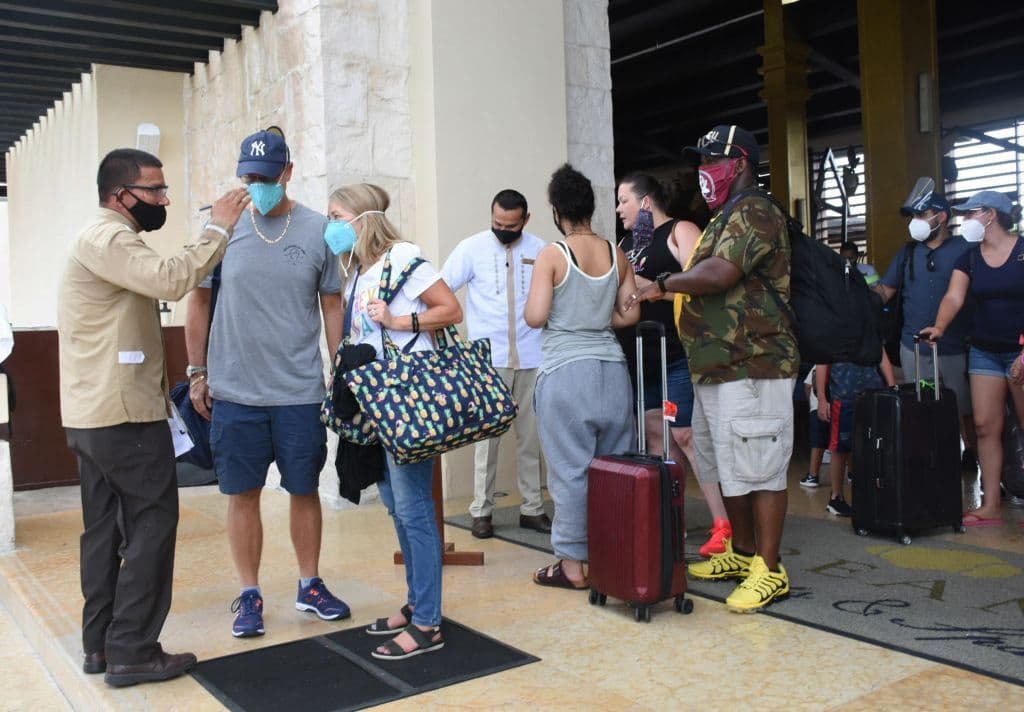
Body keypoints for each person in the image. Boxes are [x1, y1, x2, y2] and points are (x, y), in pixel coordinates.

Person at [58, 148, 250, 685]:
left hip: (95, 414)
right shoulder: (110, 238)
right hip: (123, 415)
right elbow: (170, 279)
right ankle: (133, 651)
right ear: (121, 194)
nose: (164, 200)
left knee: (104, 531)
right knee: (151, 524)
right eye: (155, 190)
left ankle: (101, 645)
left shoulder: (102, 239)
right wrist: (218, 228)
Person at [185, 128, 347, 638]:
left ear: (288, 173)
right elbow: (198, 301)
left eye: (267, 176)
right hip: (236, 391)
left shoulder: (319, 229)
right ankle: (250, 593)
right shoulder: (220, 228)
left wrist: (341, 369)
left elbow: (332, 304)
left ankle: (309, 584)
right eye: (249, 176)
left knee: (304, 489)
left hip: (299, 390)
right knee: (242, 494)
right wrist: (196, 372)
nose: (257, 185)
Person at [629, 124, 798, 612]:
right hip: (718, 367)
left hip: (754, 364)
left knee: (760, 468)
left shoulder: (756, 210)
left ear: (740, 163)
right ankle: (742, 553)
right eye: (700, 161)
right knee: (726, 464)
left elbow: (721, 273)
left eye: (711, 161)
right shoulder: (725, 215)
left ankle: (770, 568)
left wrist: (663, 284)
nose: (703, 170)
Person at [327, 183, 462, 660]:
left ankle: (428, 623)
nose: (331, 225)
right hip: (377, 404)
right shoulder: (357, 272)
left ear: (363, 219)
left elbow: (451, 309)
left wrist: (398, 322)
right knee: (395, 505)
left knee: (414, 508)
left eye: (336, 215)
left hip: (408, 401)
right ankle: (416, 603)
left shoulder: (403, 257)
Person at [526, 163, 639, 590]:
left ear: (558, 211)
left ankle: (572, 566)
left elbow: (536, 316)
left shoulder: (553, 255)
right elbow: (629, 314)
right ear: (591, 207)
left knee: (571, 471)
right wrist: (597, 317)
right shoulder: (617, 253)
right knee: (615, 468)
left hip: (566, 374)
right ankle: (612, 557)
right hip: (612, 372)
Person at [614, 173, 731, 557]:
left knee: (686, 435)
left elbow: (702, 284)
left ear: (646, 202)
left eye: (624, 201)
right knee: (655, 437)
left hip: (677, 353)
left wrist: (652, 288)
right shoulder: (625, 245)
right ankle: (670, 520)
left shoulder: (680, 230)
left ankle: (724, 523)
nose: (619, 209)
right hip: (639, 356)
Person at [441, 190, 549, 540]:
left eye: (511, 225)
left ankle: (532, 509)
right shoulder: (471, 248)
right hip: (489, 361)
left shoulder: (542, 250)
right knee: (486, 442)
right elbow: (440, 289)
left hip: (533, 357)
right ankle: (481, 511)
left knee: (530, 439)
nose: (503, 230)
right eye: (497, 223)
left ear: (525, 220)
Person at [921, 190, 1024, 527]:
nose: (964, 220)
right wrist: (939, 326)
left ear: (990, 215)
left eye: (970, 213)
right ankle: (991, 504)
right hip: (984, 351)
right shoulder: (970, 257)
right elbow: (954, 296)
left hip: (1020, 350)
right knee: (984, 426)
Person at [875, 184, 976, 468]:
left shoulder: (966, 250)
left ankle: (971, 453)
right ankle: (932, 461)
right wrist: (857, 292)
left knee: (964, 408)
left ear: (941, 217)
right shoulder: (907, 253)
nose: (915, 222)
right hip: (914, 347)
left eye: (921, 215)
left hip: (955, 346)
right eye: (914, 216)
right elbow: (885, 290)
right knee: (921, 404)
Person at [815, 354, 896, 516]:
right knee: (839, 447)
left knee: (872, 445)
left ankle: (871, 496)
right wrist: (822, 399)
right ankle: (836, 497)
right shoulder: (832, 337)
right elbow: (822, 362)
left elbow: (880, 354)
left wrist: (892, 385)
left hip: (872, 394)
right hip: (843, 396)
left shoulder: (871, 336)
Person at [799, 366, 829, 488]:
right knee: (843, 443)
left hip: (818, 407)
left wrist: (811, 402)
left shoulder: (818, 365)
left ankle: (813, 476)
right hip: (838, 405)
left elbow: (807, 385)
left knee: (817, 443)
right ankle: (851, 474)